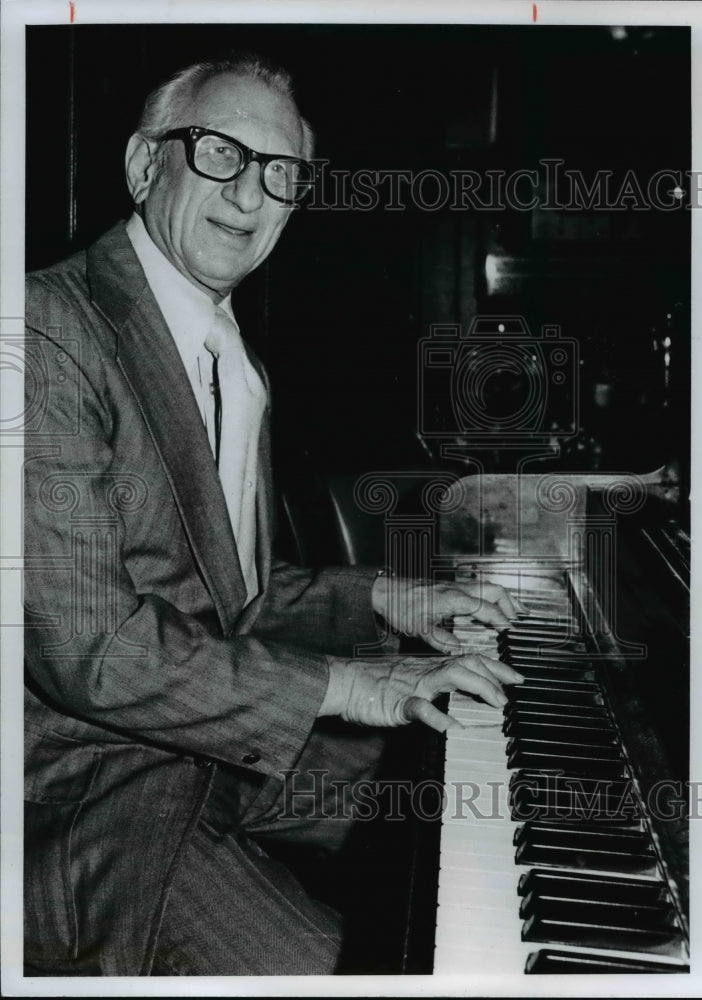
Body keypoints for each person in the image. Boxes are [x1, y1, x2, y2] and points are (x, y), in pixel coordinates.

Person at [23, 52, 522, 977]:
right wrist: (356, 685)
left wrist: (387, 601)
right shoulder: (43, 333)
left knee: (481, 800)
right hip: (83, 792)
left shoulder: (222, 348)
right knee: (336, 971)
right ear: (144, 165)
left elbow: (226, 597)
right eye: (220, 152)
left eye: (281, 172)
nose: (250, 193)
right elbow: (93, 650)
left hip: (200, 748)